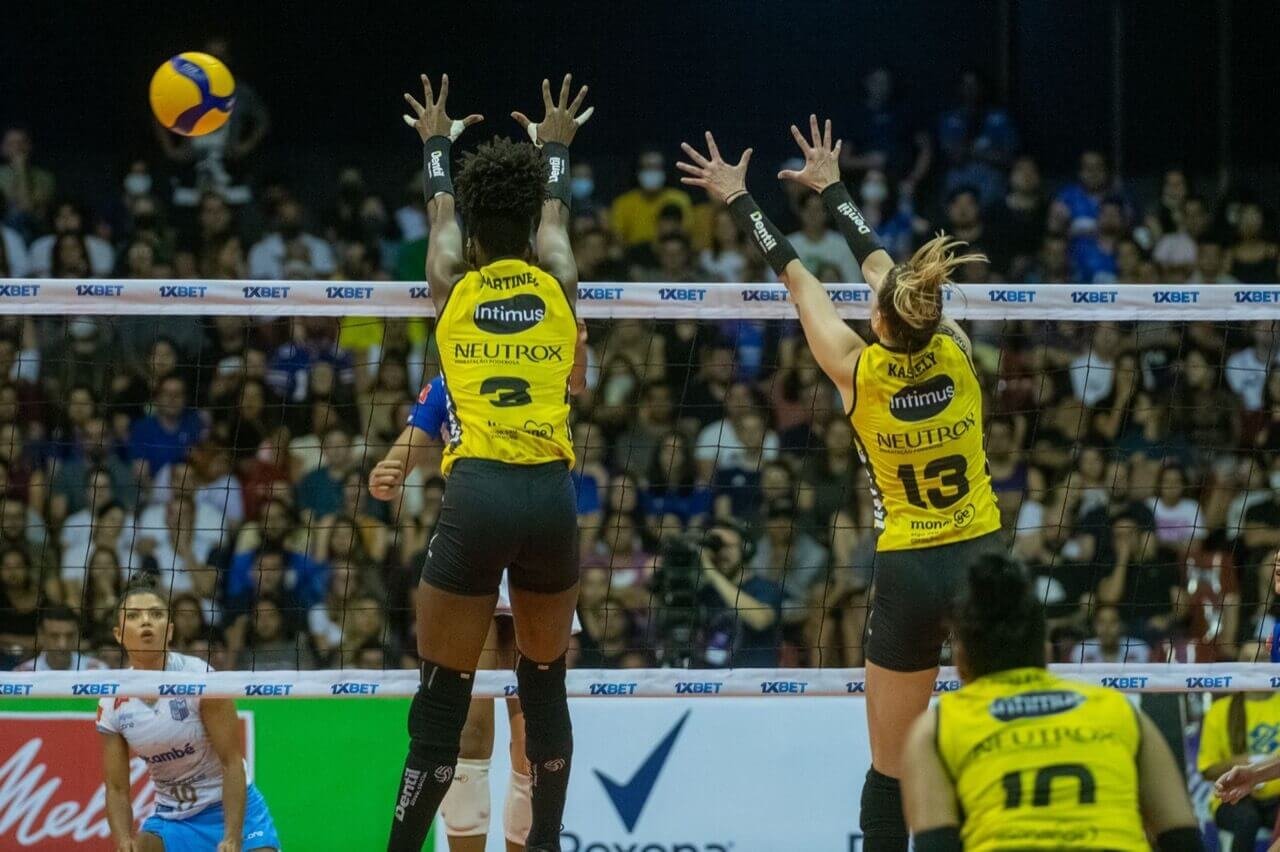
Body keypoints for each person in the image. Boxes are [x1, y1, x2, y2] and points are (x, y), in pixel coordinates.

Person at [678, 115, 1003, 850]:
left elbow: (798, 278)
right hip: (984, 559)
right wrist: (837, 189)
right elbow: (885, 271)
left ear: (881, 321)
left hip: (912, 568)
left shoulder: (858, 371)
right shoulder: (954, 349)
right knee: (1001, 743)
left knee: (890, 771)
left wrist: (740, 196)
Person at [368, 73, 590, 852]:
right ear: (529, 226)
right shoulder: (559, 282)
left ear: (473, 237)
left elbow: (439, 212)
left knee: (441, 705)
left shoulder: (448, 284)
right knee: (545, 687)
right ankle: (547, 843)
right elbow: (556, 215)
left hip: (479, 494)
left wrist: (436, 144)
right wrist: (555, 147)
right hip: (551, 500)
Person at [371, 365, 586, 852]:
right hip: (476, 542)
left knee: (531, 734)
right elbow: (419, 428)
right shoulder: (456, 369)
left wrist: (578, 347)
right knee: (466, 729)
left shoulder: (540, 357)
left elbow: (577, 383)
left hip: (536, 537)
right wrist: (393, 465)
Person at [899, 554, 1202, 851]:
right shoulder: (1117, 710)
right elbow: (1183, 838)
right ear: (1045, 649)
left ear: (960, 658)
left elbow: (935, 845)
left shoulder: (937, 728)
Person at [98, 576, 280, 852]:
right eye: (134, 616)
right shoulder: (112, 702)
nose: (146, 622)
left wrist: (232, 836)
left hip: (229, 808)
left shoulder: (199, 678)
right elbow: (116, 787)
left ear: (169, 630)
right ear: (118, 634)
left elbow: (232, 762)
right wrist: (123, 839)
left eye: (156, 614)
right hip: (173, 816)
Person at [14, 604, 106, 671]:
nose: (63, 645)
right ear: (41, 635)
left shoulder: (98, 670)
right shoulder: (23, 675)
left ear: (78, 634)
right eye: (54, 636)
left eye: (69, 635)